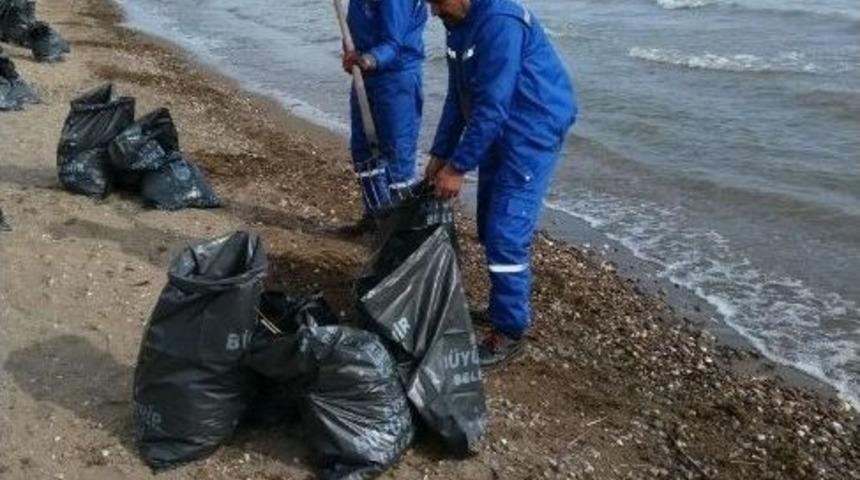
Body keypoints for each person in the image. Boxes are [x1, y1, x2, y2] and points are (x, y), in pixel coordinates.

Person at [424, 0, 577, 367]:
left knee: (505, 233)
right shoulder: (457, 25)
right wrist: (441, 153)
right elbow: (458, 97)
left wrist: (458, 167)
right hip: (498, 129)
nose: (433, 12)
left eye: (437, 1)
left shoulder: (501, 23)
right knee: (488, 223)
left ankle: (509, 331)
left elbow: (492, 105)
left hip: (530, 132)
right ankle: (500, 308)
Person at [341, 0, 428, 233]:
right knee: (363, 151)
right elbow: (354, 25)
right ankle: (375, 218)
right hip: (366, 75)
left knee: (397, 155)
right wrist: (350, 54)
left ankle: (400, 230)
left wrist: (368, 60)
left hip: (396, 77)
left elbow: (393, 43)